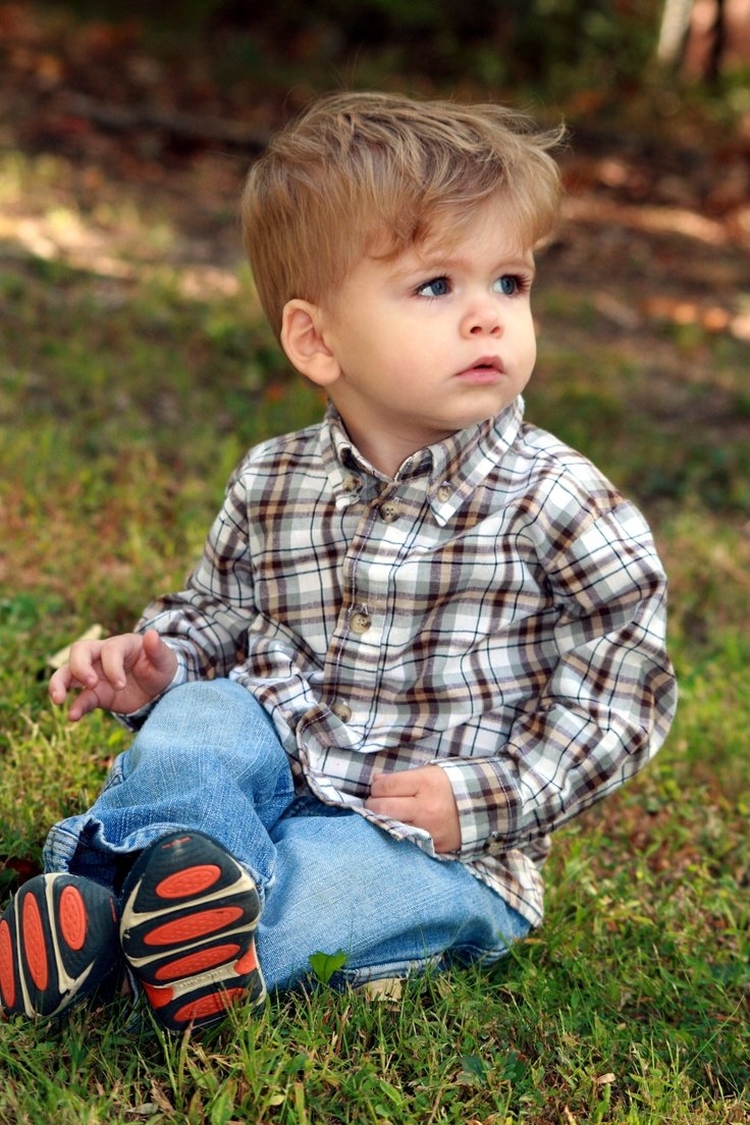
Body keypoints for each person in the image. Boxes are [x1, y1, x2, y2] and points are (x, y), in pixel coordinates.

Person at [0, 91, 677, 1033]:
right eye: (436, 286)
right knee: (203, 718)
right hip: (279, 770)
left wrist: (486, 799)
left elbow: (622, 696)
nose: (487, 317)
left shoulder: (558, 501)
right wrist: (161, 661)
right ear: (316, 339)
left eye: (509, 282)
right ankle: (147, 875)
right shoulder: (275, 477)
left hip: (434, 841)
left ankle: (136, 938)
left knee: (342, 887)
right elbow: (220, 614)